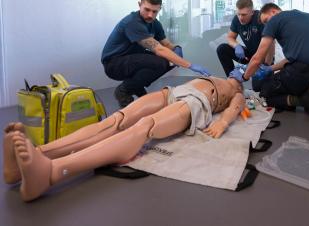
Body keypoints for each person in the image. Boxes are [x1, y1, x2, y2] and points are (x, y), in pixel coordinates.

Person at [3, 75, 244, 202]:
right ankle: (39, 153)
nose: (236, 76)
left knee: (144, 126)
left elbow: (234, 110)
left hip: (196, 103)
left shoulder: (237, 92)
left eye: (239, 76)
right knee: (115, 120)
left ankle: (52, 172)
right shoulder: (213, 75)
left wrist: (222, 123)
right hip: (173, 92)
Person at [230, 3, 309, 122]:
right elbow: (293, 58)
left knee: (264, 93)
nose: (267, 25)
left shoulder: (276, 19)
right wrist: (270, 68)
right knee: (294, 76)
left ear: (273, 11)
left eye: (266, 20)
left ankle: (306, 100)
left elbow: (257, 58)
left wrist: (244, 77)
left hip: (305, 73)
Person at [101, 0, 211, 108]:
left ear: (159, 9)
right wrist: (190, 65)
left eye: (154, 11)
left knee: (170, 60)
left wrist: (176, 48)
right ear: (139, 5)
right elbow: (159, 50)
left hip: (132, 59)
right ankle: (124, 90)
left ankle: (136, 85)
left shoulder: (155, 23)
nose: (150, 15)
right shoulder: (132, 22)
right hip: (114, 63)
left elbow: (166, 44)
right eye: (147, 10)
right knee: (160, 61)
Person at [216, 0, 274, 77]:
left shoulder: (261, 18)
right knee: (222, 49)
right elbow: (230, 37)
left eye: (244, 15)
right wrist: (236, 46)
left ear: (252, 12)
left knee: (259, 86)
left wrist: (267, 65)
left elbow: (271, 44)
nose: (240, 18)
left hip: (263, 56)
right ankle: (232, 80)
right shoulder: (237, 19)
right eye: (238, 14)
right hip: (249, 54)